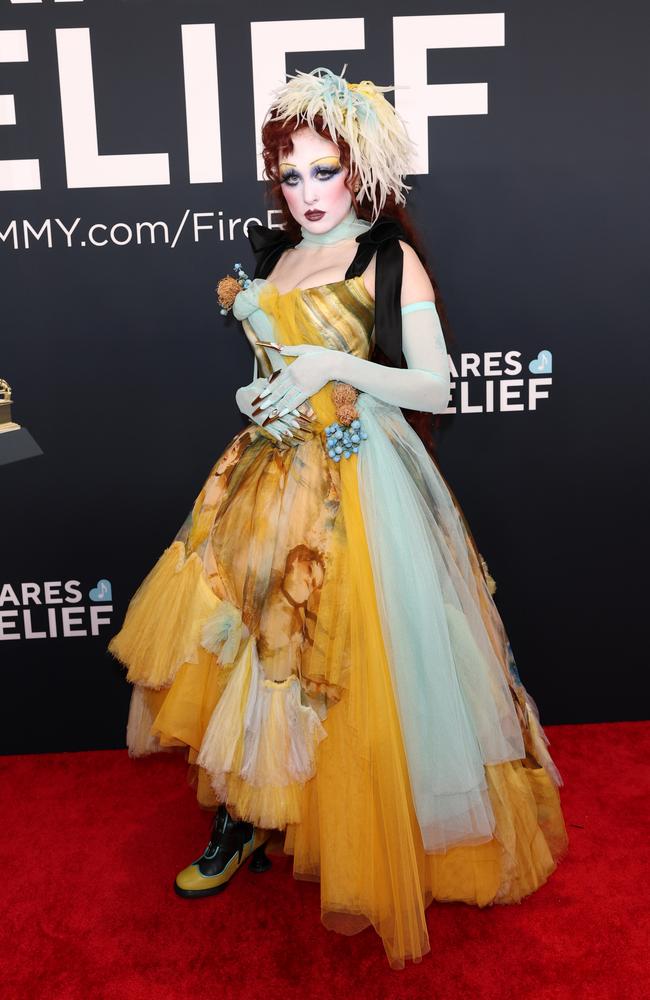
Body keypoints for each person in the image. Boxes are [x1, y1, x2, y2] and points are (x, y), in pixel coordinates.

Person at [108, 66, 568, 969]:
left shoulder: (387, 259)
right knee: (247, 649)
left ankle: (357, 826)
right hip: (265, 478)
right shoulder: (278, 258)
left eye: (326, 172)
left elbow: (434, 385)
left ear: (358, 170)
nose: (310, 193)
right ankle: (244, 819)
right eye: (293, 176)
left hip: (361, 489)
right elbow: (280, 359)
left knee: (347, 667)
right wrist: (266, 390)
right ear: (274, 181)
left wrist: (336, 370)